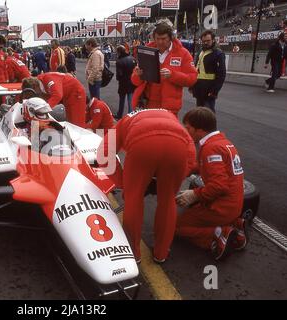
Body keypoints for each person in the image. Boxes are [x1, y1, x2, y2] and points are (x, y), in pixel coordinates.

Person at [97, 108, 196, 263]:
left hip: (142, 143)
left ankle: (133, 253)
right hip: (177, 144)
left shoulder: (124, 121)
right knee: (168, 200)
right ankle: (161, 253)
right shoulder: (171, 117)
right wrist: (169, 179)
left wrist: (123, 182)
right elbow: (191, 157)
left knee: (133, 200)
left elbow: (104, 154)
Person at [176, 107, 247, 260]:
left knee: (176, 226)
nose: (185, 130)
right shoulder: (222, 142)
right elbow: (204, 166)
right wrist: (182, 171)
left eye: (188, 127)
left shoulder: (211, 148)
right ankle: (235, 225)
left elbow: (219, 185)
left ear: (199, 129)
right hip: (234, 205)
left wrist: (194, 194)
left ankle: (218, 234)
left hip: (221, 208)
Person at [131, 23, 198, 117]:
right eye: (157, 38)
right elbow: (135, 82)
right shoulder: (146, 51)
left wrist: (172, 75)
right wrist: (138, 75)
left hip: (169, 108)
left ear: (171, 38)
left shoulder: (183, 53)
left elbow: (192, 79)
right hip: (147, 105)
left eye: (163, 39)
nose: (160, 42)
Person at [22, 72, 87, 128]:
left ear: (34, 86)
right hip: (67, 96)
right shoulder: (39, 81)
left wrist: (43, 109)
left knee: (77, 123)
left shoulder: (49, 79)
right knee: (70, 122)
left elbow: (57, 95)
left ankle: (82, 140)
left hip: (76, 93)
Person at [191, 30, 226, 112]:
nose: (205, 43)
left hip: (209, 89)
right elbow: (196, 70)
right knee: (199, 113)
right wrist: (192, 86)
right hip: (199, 88)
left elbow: (221, 74)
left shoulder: (218, 53)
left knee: (208, 113)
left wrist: (215, 91)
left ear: (213, 40)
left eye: (208, 41)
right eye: (203, 41)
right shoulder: (201, 52)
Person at [115, 45, 136, 119]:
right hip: (132, 82)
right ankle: (131, 116)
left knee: (122, 101)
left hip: (123, 83)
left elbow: (119, 75)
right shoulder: (133, 59)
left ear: (119, 52)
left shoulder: (119, 61)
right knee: (130, 101)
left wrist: (118, 78)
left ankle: (119, 114)